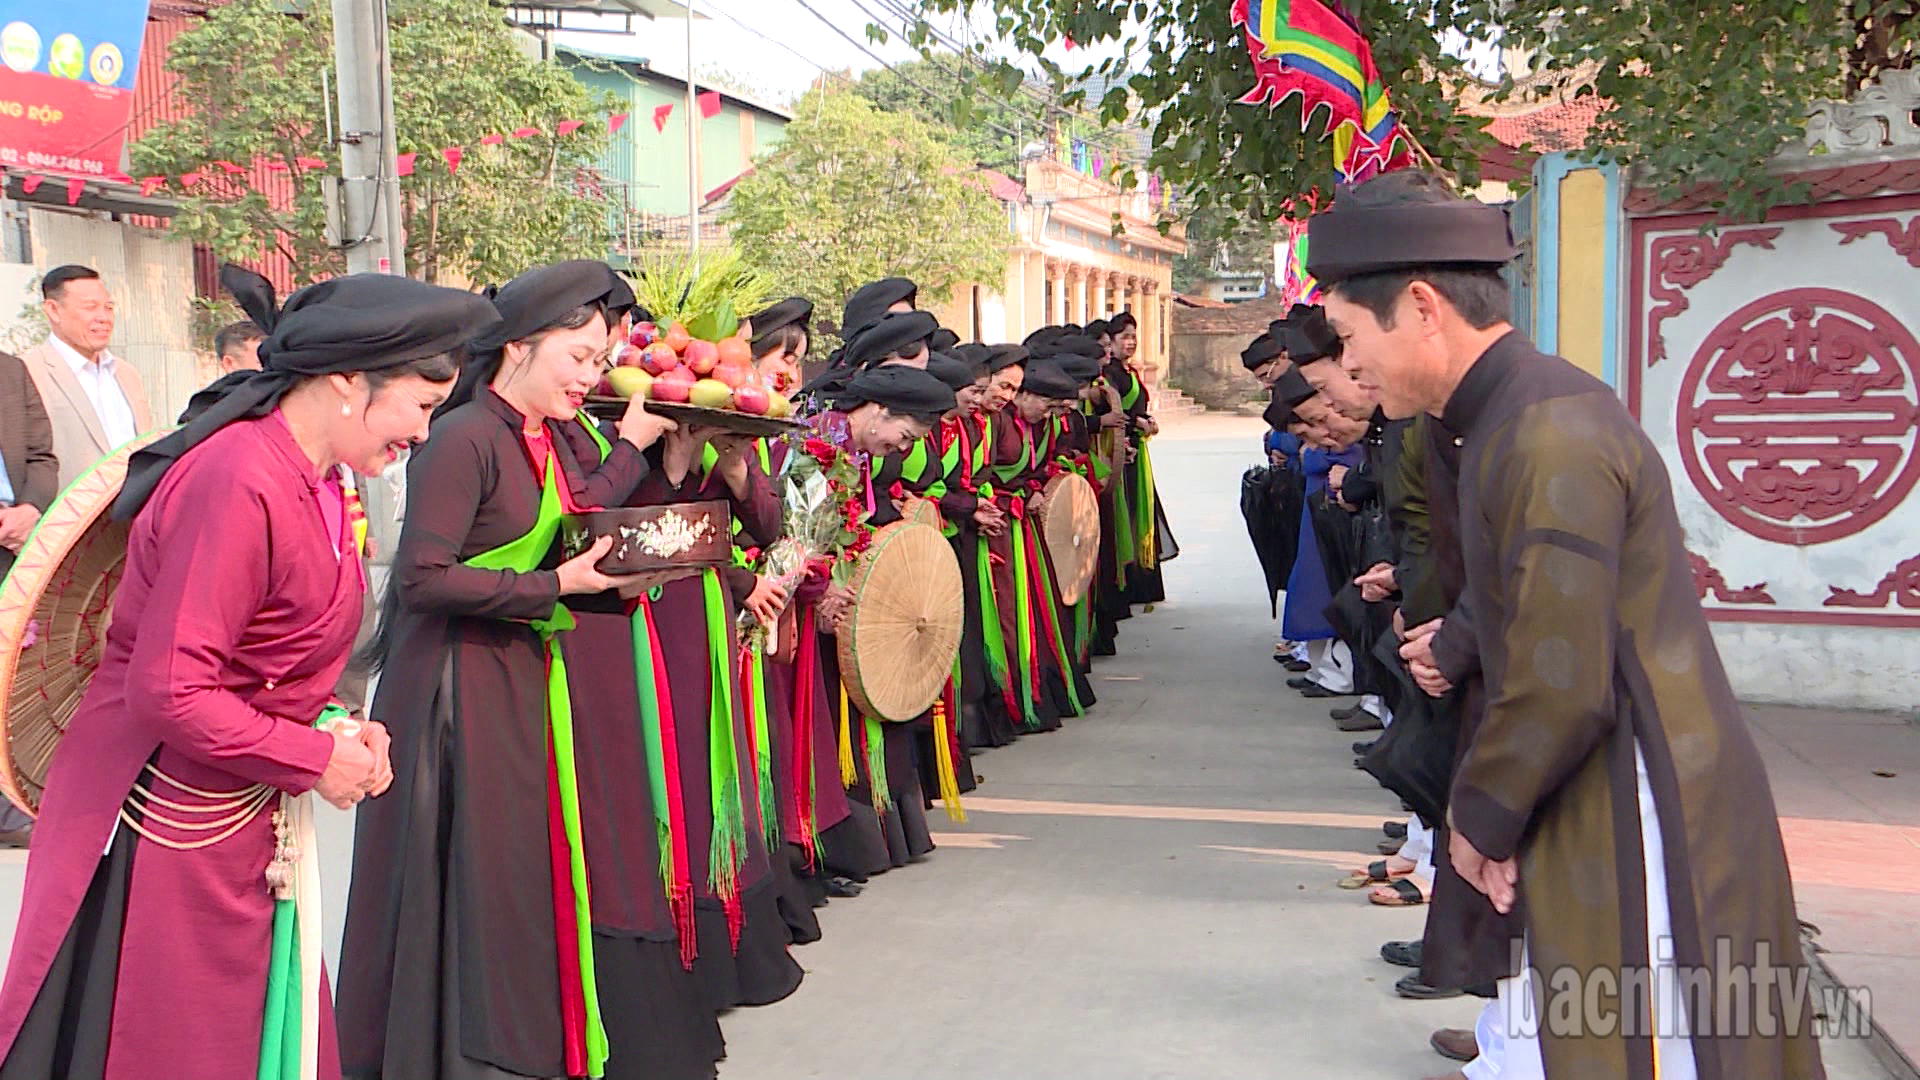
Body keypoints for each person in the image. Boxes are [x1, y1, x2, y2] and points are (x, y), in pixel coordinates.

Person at [1312, 169, 1825, 1080]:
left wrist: (1479, 818)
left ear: (1422, 306)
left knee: (1659, 1037)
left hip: (1637, 786)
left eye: (1352, 338)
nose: (1350, 368)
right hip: (1581, 765)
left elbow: (1560, 669)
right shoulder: (1490, 419)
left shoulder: (1549, 433)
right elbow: (1515, 600)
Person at [0, 266, 497, 1080]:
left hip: (235, 801)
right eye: (420, 405)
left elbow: (273, 660)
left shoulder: (326, 480)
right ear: (346, 382)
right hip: (164, 816)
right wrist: (315, 758)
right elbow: (171, 690)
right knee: (176, 1047)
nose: (421, 432)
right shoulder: (237, 480)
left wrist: (333, 726)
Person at [336, 260, 689, 1080]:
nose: (590, 377)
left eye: (600, 362)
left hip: (517, 671)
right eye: (578, 356)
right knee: (464, 872)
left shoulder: (536, 441)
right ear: (521, 347)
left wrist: (611, 581)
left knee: (512, 873)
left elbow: (560, 553)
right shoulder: (464, 438)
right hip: (453, 689)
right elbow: (422, 579)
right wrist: (554, 585)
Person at [22, 266, 152, 491]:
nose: (103, 318)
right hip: (68, 520)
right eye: (90, 308)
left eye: (108, 308)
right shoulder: (27, 374)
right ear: (53, 310)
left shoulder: (126, 374)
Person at [0, 350, 58, 846]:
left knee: (10, 672)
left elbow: (42, 454)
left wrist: (31, 508)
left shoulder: (10, 370)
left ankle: (7, 809)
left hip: (13, 539)